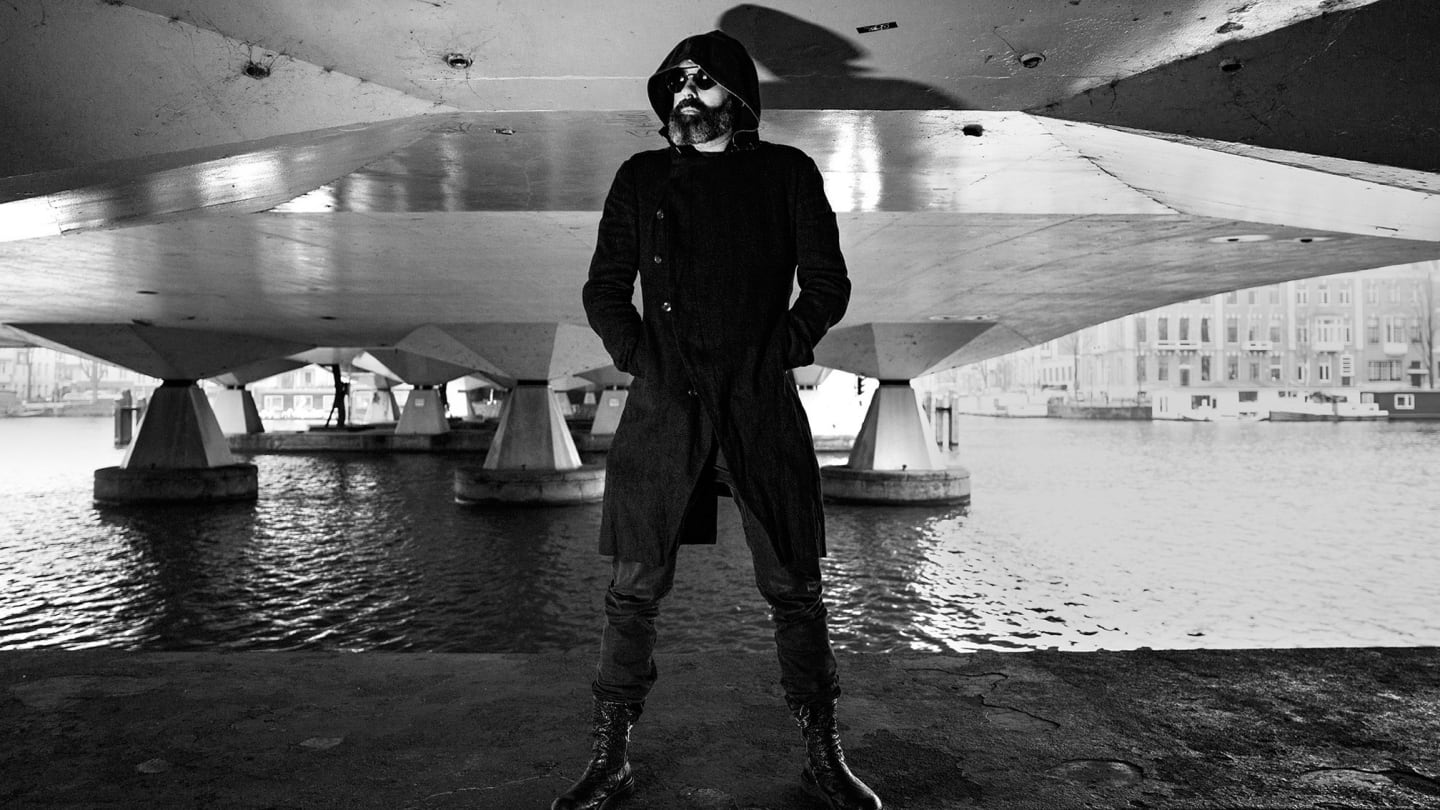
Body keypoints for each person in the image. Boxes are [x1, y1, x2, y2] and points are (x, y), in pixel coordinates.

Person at [554, 30, 880, 810]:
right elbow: (604, 288)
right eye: (675, 84)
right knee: (634, 587)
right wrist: (641, 355)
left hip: (758, 404)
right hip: (666, 405)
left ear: (737, 94)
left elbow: (827, 284)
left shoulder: (788, 173)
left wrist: (779, 351)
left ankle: (823, 754)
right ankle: (610, 756)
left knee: (795, 585)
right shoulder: (640, 177)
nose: (684, 95)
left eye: (700, 82)